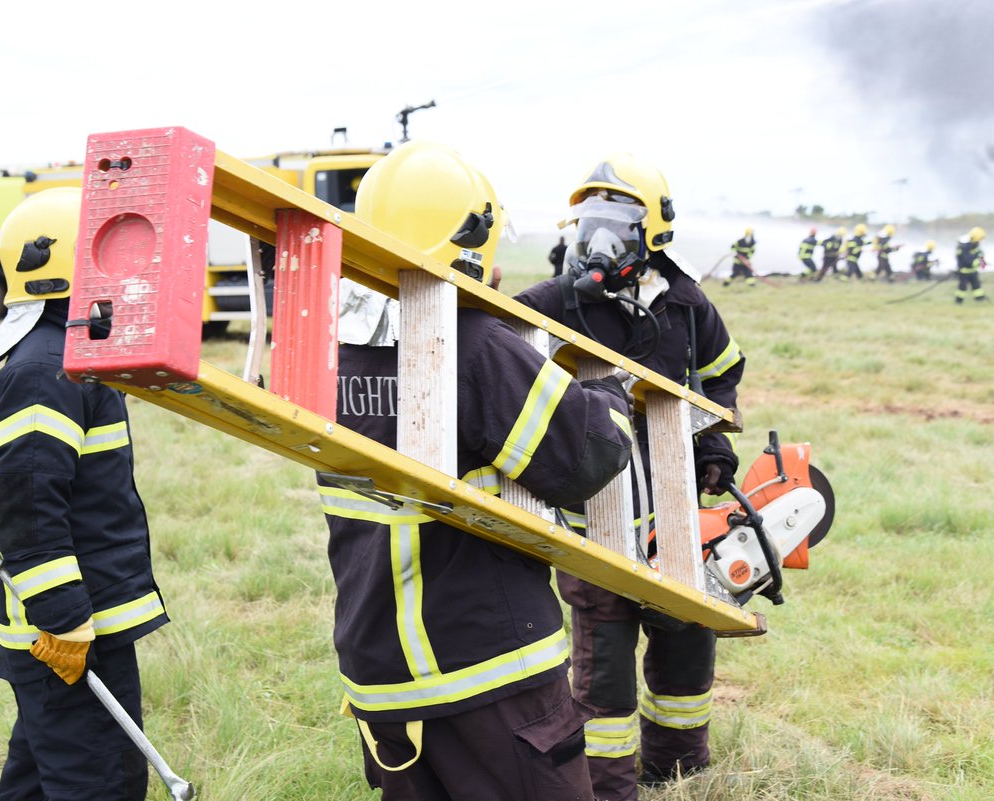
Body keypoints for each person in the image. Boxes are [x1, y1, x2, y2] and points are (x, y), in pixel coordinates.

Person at [319, 140, 635, 801]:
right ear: (472, 241)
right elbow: (587, 456)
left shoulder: (332, 349)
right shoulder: (473, 345)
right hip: (489, 671)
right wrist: (610, 393)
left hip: (380, 672)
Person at [514, 154, 745, 801]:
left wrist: (712, 444)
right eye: (590, 220)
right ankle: (606, 786)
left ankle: (678, 770)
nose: (600, 236)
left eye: (616, 221)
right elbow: (498, 332)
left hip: (675, 518)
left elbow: (719, 375)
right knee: (604, 664)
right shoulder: (559, 301)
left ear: (654, 231)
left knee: (687, 642)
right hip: (596, 522)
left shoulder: (686, 303)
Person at [0, 187, 169, 800]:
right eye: (109, 261)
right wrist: (64, 621)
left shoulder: (67, 357)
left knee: (39, 782)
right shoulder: (45, 370)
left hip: (74, 627)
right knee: (99, 784)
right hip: (70, 633)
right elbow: (28, 508)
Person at [955, 226, 988, 303]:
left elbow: (979, 253)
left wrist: (982, 259)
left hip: (973, 271)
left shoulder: (974, 245)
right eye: (979, 240)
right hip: (964, 272)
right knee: (962, 287)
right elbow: (967, 261)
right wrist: (977, 262)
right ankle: (958, 301)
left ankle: (980, 299)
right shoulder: (964, 247)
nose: (979, 242)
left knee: (977, 286)